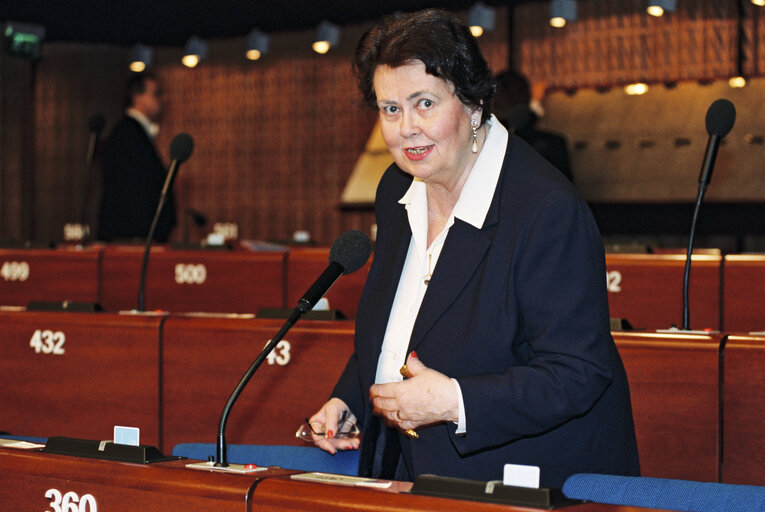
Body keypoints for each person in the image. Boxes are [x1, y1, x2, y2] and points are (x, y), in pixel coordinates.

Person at [304, 9, 639, 489]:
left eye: (424, 103)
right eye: (390, 109)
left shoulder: (545, 209)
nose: (405, 129)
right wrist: (351, 402)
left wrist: (456, 402)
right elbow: (402, 321)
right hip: (414, 472)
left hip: (529, 481)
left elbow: (578, 372)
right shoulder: (397, 190)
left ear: (475, 101)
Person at [97, 71, 177, 242]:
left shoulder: (135, 132)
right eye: (156, 93)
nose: (162, 99)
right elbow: (132, 191)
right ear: (137, 97)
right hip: (131, 238)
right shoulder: (127, 134)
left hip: (140, 236)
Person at [493, 69, 573, 182]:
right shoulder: (485, 142)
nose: (515, 100)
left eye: (519, 93)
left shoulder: (551, 144)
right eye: (507, 94)